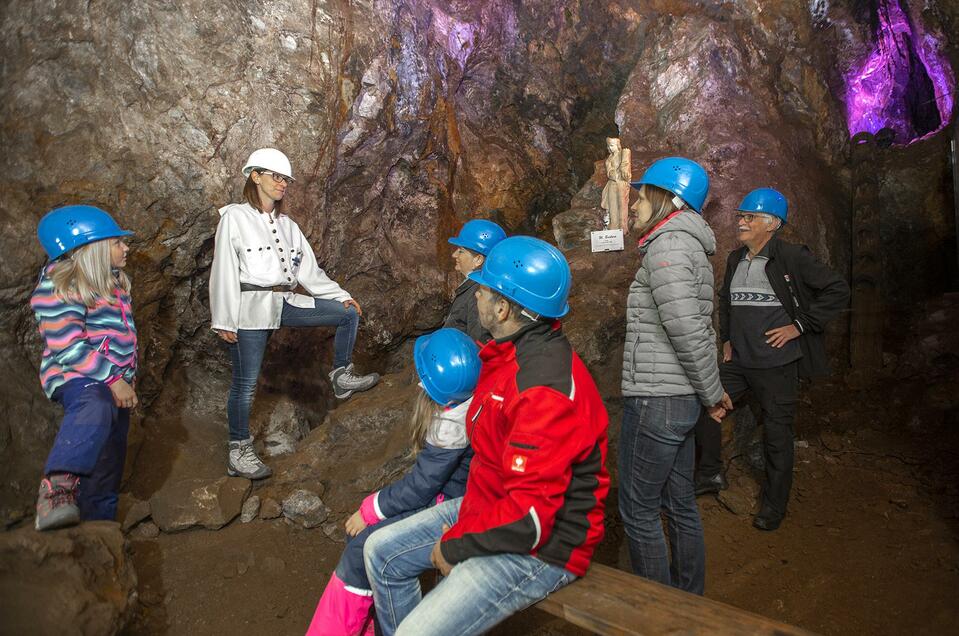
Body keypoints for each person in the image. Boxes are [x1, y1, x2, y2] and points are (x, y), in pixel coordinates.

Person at [363, 236, 609, 636]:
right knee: (381, 553)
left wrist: (455, 544)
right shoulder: (505, 353)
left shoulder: (541, 390)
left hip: (545, 546)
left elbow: (529, 519)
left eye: (483, 289)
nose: (475, 294)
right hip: (488, 503)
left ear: (503, 307)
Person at [209, 148, 379, 480]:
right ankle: (238, 450)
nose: (282, 183)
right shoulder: (235, 217)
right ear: (255, 176)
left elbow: (310, 274)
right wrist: (224, 319)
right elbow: (224, 271)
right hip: (247, 308)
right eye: (276, 176)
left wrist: (343, 297)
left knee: (346, 315)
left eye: (286, 179)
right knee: (245, 384)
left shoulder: (288, 226)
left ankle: (341, 377)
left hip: (285, 301)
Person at [305, 328, 480, 636]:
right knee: (359, 539)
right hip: (447, 497)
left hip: (452, 507)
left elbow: (422, 486)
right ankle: (366, 622)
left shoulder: (452, 427)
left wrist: (371, 509)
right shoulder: (470, 403)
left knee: (363, 548)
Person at [694, 188, 849, 531]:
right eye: (742, 216)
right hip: (740, 362)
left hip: (777, 367)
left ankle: (773, 506)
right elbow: (726, 301)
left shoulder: (792, 257)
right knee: (706, 401)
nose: (741, 222)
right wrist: (728, 339)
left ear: (773, 223)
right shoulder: (736, 259)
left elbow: (838, 289)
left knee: (777, 437)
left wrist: (799, 326)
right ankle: (710, 474)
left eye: (750, 217)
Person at [619, 157, 731, 595]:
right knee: (679, 502)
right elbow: (701, 326)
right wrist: (706, 392)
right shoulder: (685, 245)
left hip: (657, 400)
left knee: (638, 508)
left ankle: (658, 618)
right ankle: (688, 603)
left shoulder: (669, 247)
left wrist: (712, 394)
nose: (633, 204)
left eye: (641, 194)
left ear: (670, 198)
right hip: (677, 397)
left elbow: (687, 330)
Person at [30, 205, 138, 531]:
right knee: (95, 403)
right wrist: (115, 379)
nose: (126, 248)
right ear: (91, 249)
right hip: (77, 377)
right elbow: (67, 346)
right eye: (117, 242)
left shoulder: (114, 284)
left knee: (109, 457)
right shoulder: (58, 285)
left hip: (113, 382)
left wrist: (124, 380)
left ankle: (100, 528)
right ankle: (57, 489)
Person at [444, 219, 506, 342]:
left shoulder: (479, 294)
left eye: (461, 251)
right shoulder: (472, 287)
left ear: (478, 260)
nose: (454, 255)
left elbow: (478, 344)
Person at [601, 137, 632, 234]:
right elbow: (609, 172)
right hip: (612, 183)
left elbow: (625, 169)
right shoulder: (609, 159)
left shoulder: (623, 154)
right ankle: (613, 226)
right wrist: (612, 174)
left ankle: (623, 228)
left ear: (618, 145)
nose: (610, 148)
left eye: (612, 145)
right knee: (612, 205)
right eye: (608, 146)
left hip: (621, 183)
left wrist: (623, 173)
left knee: (622, 205)